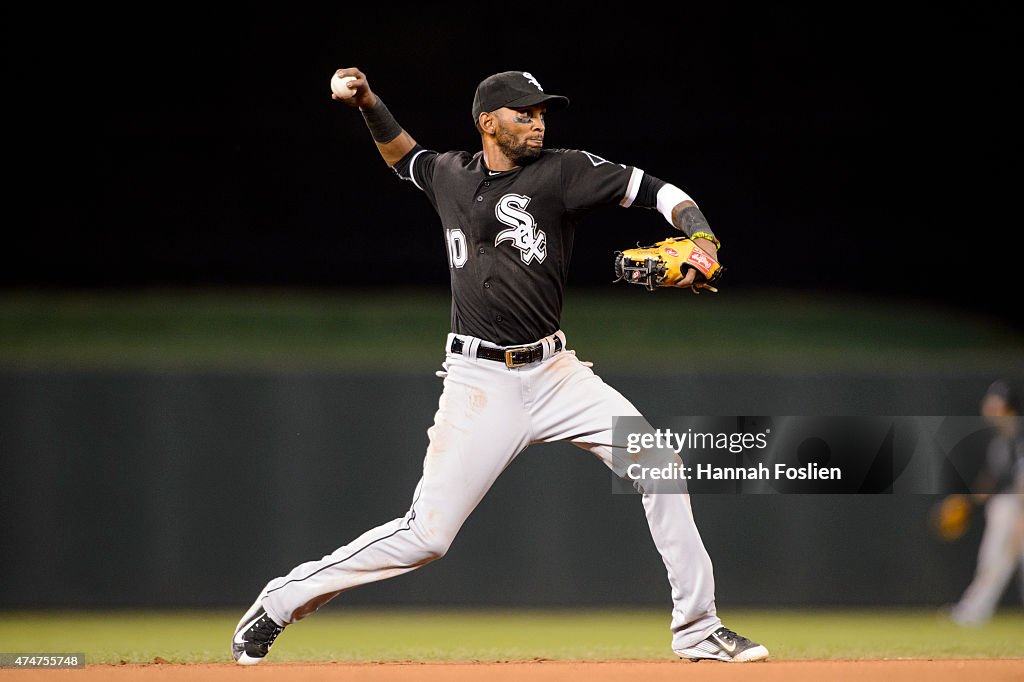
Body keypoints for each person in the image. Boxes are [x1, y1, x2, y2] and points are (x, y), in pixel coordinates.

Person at [231, 67, 769, 664]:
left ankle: (698, 629)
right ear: (488, 122)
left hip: (557, 373)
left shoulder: (564, 171)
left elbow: (659, 191)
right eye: (525, 113)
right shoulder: (449, 175)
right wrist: (368, 100)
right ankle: (282, 600)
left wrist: (703, 237)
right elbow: (399, 155)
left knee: (660, 466)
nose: (538, 122)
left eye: (542, 113)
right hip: (479, 383)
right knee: (426, 537)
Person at [949, 379, 1024, 626]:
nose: (989, 408)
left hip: (1015, 506)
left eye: (995, 403)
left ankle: (973, 611)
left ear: (1008, 407)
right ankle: (974, 611)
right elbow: (993, 478)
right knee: (996, 560)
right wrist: (968, 502)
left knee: (996, 558)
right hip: (1006, 505)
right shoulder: (1001, 439)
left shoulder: (1018, 436)